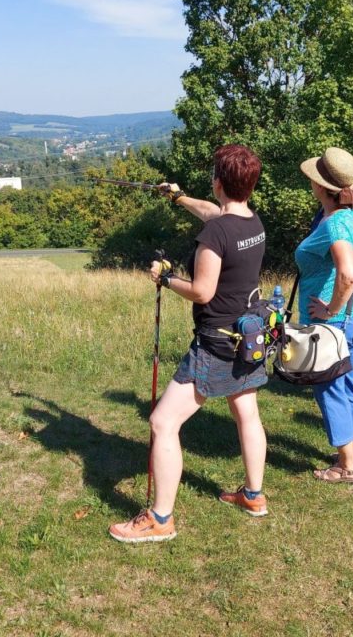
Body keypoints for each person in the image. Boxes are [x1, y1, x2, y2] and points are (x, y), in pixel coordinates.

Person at [109, 145, 269, 543]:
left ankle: (160, 519)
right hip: (249, 336)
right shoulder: (252, 222)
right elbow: (216, 213)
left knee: (163, 422)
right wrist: (178, 197)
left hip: (216, 342)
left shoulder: (216, 234)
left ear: (218, 182)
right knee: (246, 412)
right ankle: (253, 496)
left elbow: (201, 291)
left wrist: (165, 279)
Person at [296, 147, 353, 483]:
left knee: (329, 386)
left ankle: (347, 466)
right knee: (351, 382)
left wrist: (330, 309)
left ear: (320, 186)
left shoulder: (336, 224)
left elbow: (349, 273)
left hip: (335, 321)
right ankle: (352, 453)